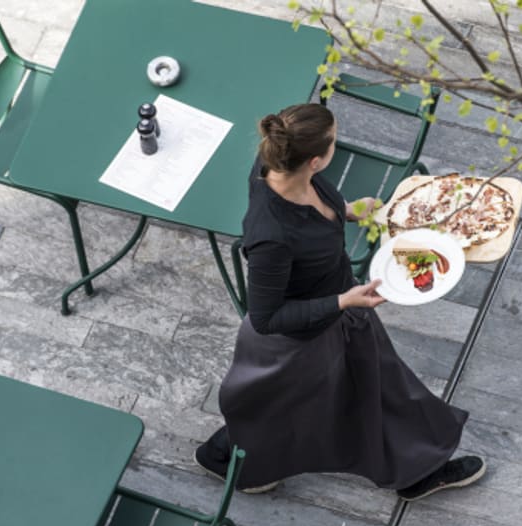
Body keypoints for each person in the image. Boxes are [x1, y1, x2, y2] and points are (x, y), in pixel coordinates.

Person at [193, 103, 485, 501]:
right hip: (301, 340)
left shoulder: (284, 170)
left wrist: (347, 211)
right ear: (316, 160)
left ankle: (225, 456)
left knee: (288, 403)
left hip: (335, 312)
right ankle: (417, 473)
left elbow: (312, 213)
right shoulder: (270, 237)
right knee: (373, 392)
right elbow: (264, 316)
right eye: (334, 140)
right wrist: (342, 302)